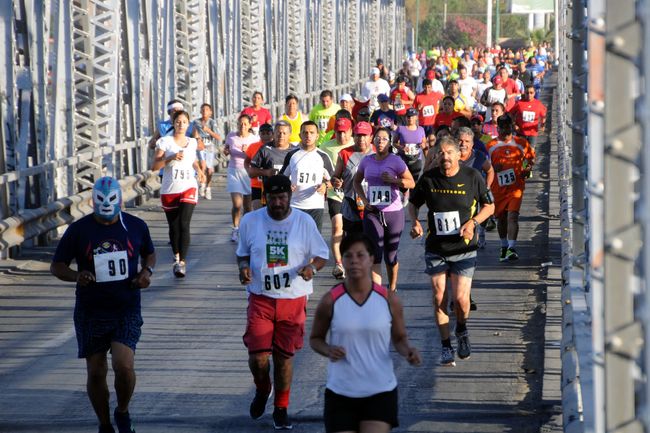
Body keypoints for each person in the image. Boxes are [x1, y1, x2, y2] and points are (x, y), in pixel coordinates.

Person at [51, 177, 156, 433]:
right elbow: (57, 266)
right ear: (93, 201)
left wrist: (146, 272)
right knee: (96, 372)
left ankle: (122, 411)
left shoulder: (135, 225)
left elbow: (149, 253)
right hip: (91, 310)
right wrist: (77, 276)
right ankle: (105, 424)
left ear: (120, 200)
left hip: (126, 307)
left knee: (124, 366)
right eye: (101, 200)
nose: (107, 205)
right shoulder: (79, 230)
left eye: (111, 200)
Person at [237, 175, 329, 430]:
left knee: (283, 358)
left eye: (282, 197)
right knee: (258, 358)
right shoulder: (250, 221)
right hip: (261, 298)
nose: (277, 203)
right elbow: (242, 254)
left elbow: (322, 255)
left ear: (289, 196)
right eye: (272, 198)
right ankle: (262, 388)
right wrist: (243, 268)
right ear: (265, 198)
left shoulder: (304, 222)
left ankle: (281, 407)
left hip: (292, 299)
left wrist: (312, 268)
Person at [309, 232, 421, 433]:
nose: (354, 261)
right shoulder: (330, 300)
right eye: (348, 256)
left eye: (360, 255)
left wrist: (408, 351)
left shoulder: (389, 300)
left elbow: (399, 338)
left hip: (380, 390)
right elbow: (315, 339)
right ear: (342, 260)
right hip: (341, 391)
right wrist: (328, 350)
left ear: (371, 259)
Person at [407, 136, 495, 366]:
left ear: (458, 155)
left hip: (464, 247)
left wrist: (473, 223)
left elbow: (489, 206)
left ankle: (462, 329)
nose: (444, 157)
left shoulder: (472, 176)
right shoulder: (429, 178)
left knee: (461, 299)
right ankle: (446, 345)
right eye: (441, 153)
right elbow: (413, 203)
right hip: (436, 247)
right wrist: (414, 222)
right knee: (439, 297)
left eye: (449, 152)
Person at [353, 127, 415, 291]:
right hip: (372, 212)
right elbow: (356, 182)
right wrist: (364, 200)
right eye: (378, 138)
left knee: (390, 255)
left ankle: (392, 287)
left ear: (390, 143)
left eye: (384, 139)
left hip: (393, 213)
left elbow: (411, 183)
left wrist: (395, 181)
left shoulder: (396, 161)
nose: (380, 141)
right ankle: (378, 292)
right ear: (373, 140)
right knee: (375, 254)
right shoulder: (366, 161)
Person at [152, 110, 206, 277]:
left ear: (188, 124)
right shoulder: (165, 142)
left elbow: (193, 160)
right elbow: (154, 166)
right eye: (178, 121)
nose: (181, 124)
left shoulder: (192, 142)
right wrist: (171, 158)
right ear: (173, 123)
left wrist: (199, 171)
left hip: (189, 186)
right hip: (170, 189)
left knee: (184, 223)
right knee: (174, 227)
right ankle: (176, 257)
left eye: (184, 122)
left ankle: (182, 262)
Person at [486, 115, 536, 262]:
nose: (505, 129)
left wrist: (527, 170)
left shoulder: (521, 143)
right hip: (498, 188)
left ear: (512, 126)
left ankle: (512, 248)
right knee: (501, 219)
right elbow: (485, 166)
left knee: (513, 216)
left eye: (508, 126)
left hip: (516, 188)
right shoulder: (491, 145)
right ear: (498, 128)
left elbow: (530, 160)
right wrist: (492, 168)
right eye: (502, 127)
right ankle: (504, 246)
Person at [280, 121, 335, 231]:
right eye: (305, 132)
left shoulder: (323, 156)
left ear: (317, 136)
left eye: (311, 132)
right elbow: (281, 178)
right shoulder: (292, 155)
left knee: (313, 239)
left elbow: (334, 180)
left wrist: (325, 185)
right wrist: (286, 185)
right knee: (294, 238)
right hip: (295, 206)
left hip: (315, 207)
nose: (308, 135)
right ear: (300, 135)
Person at [320, 117, 355, 279]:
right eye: (339, 132)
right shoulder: (326, 147)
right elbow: (319, 168)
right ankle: (339, 264)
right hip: (335, 193)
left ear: (350, 131)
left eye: (345, 132)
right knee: (337, 227)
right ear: (334, 132)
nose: (342, 136)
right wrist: (327, 182)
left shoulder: (357, 144)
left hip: (353, 193)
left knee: (351, 231)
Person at [332, 122, 376, 235]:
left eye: (364, 135)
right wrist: (336, 181)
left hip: (374, 203)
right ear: (353, 136)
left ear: (371, 137)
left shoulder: (377, 152)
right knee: (353, 241)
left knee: (373, 241)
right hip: (351, 205)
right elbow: (335, 176)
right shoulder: (344, 154)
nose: (361, 139)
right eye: (358, 135)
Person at [225, 114, 260, 242]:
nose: (242, 126)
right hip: (234, 171)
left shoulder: (254, 139)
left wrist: (247, 152)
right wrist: (226, 151)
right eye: (240, 123)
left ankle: (246, 229)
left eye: (245, 124)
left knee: (248, 207)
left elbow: (257, 157)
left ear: (250, 125)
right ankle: (235, 228)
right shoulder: (231, 136)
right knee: (237, 204)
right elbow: (226, 149)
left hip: (248, 173)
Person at [193, 103, 223, 200]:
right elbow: (192, 133)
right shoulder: (196, 122)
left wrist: (208, 130)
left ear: (210, 112)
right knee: (202, 165)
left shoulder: (212, 122)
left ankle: (208, 188)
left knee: (209, 170)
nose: (204, 111)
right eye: (203, 109)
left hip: (210, 147)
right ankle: (202, 185)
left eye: (207, 110)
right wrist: (197, 139)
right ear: (200, 111)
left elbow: (218, 137)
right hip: (200, 147)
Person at [245, 123, 274, 210]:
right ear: (259, 134)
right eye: (263, 133)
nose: (265, 136)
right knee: (257, 209)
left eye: (268, 133)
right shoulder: (253, 146)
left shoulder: (275, 146)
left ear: (272, 134)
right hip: (256, 184)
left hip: (271, 184)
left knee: (270, 210)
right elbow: (246, 161)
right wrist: (249, 171)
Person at [509, 84, 547, 149]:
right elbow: (510, 114)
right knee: (521, 151)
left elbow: (543, 115)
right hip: (521, 132)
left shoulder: (538, 104)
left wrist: (543, 125)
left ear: (534, 93)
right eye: (527, 93)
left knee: (531, 151)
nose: (529, 94)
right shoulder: (519, 103)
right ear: (525, 93)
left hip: (533, 133)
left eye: (531, 93)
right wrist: (514, 124)